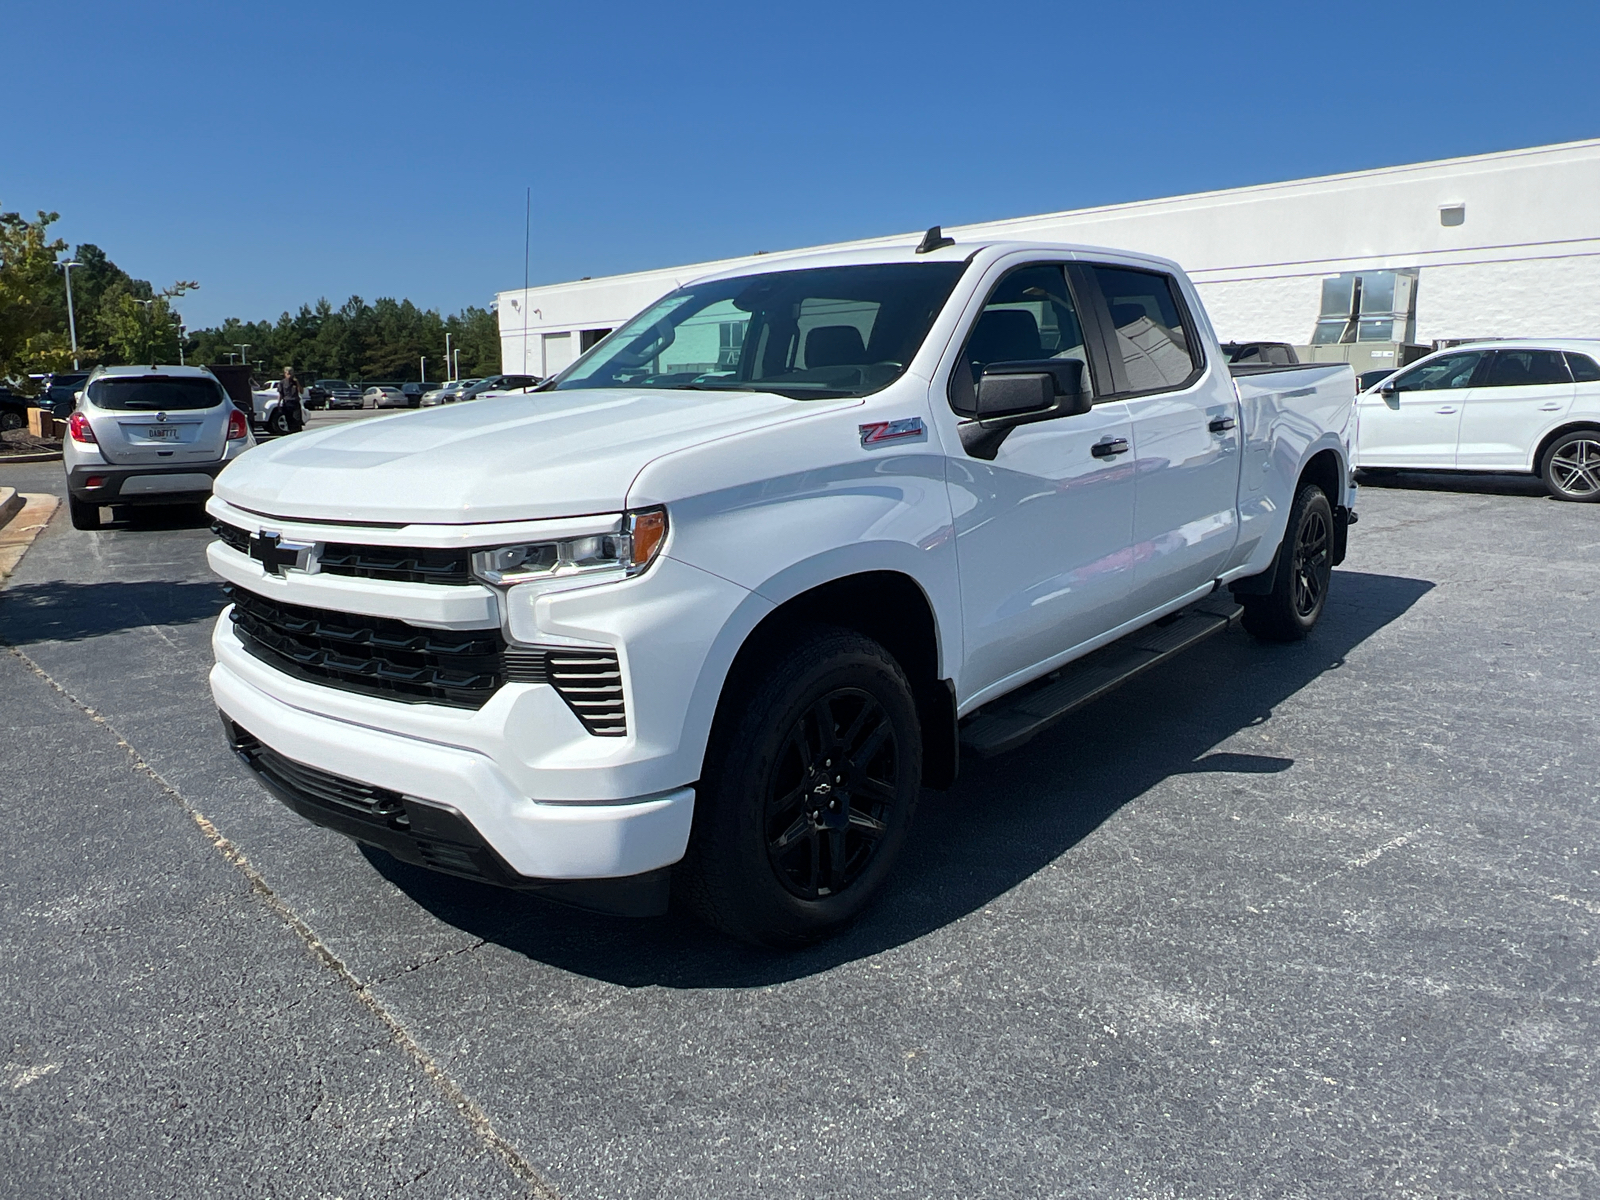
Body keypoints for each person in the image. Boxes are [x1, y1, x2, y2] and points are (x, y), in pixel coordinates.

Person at [278, 368, 305, 432]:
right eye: (288, 373)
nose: (290, 375)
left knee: (297, 421)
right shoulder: (282, 382)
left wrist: (297, 383)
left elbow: (301, 391)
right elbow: (281, 394)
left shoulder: (296, 382)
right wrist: (278, 403)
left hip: (295, 403)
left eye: (291, 373)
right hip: (287, 403)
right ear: (285, 374)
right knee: (289, 421)